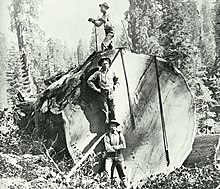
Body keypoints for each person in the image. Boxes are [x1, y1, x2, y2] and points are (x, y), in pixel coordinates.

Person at [87, 57, 119, 123]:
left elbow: (117, 81)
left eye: (106, 63)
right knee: (104, 108)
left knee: (112, 107)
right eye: (103, 63)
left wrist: (115, 87)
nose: (105, 65)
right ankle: (105, 124)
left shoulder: (112, 72)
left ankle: (113, 125)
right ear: (101, 65)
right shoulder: (98, 73)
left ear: (109, 64)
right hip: (102, 92)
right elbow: (89, 81)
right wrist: (96, 89)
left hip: (111, 92)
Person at [104, 119, 127, 187]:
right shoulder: (106, 136)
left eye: (114, 126)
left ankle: (125, 186)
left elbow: (123, 145)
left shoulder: (120, 134)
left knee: (123, 174)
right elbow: (108, 148)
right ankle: (108, 186)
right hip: (109, 157)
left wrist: (115, 147)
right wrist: (114, 148)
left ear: (116, 127)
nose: (113, 127)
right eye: (111, 126)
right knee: (107, 173)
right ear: (109, 127)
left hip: (119, 156)